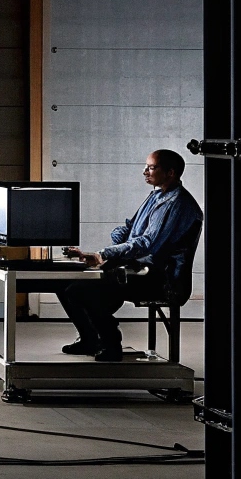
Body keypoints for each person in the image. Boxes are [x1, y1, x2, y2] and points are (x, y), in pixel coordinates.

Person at [59, 149, 203, 362]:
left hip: (161, 279)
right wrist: (116, 242)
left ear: (171, 172)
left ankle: (111, 343)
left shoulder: (178, 204)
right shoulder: (156, 195)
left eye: (151, 167)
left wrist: (103, 254)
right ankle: (90, 338)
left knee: (80, 290)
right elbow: (130, 228)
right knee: (65, 284)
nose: (145, 171)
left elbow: (147, 244)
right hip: (140, 268)